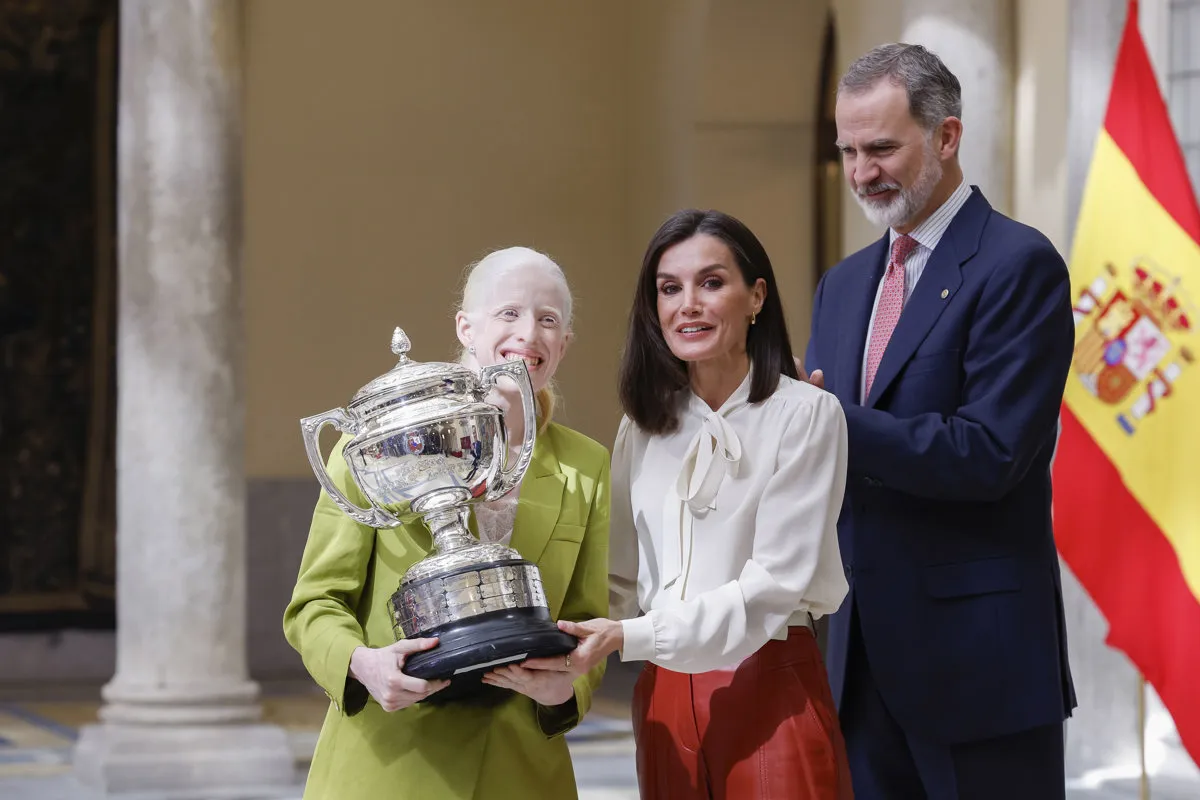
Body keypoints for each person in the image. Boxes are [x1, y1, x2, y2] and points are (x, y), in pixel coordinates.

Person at [801, 43, 1077, 799]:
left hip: (977, 672)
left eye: (882, 147)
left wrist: (824, 421)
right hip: (857, 666)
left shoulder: (1018, 265)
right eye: (849, 151)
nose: (862, 172)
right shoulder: (842, 284)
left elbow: (989, 453)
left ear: (947, 137)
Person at [523, 209, 855, 799]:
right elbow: (618, 580)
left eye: (711, 282)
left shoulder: (806, 414)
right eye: (669, 288)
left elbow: (774, 586)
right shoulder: (643, 427)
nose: (688, 304)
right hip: (664, 694)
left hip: (771, 680)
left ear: (756, 297)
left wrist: (631, 636)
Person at [283, 247, 610, 799]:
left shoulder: (587, 466)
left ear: (564, 344)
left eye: (548, 319)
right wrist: (363, 665)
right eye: (509, 313)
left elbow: (587, 619)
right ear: (465, 325)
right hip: (387, 768)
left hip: (522, 770)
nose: (528, 333)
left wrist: (568, 689)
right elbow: (315, 605)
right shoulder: (374, 446)